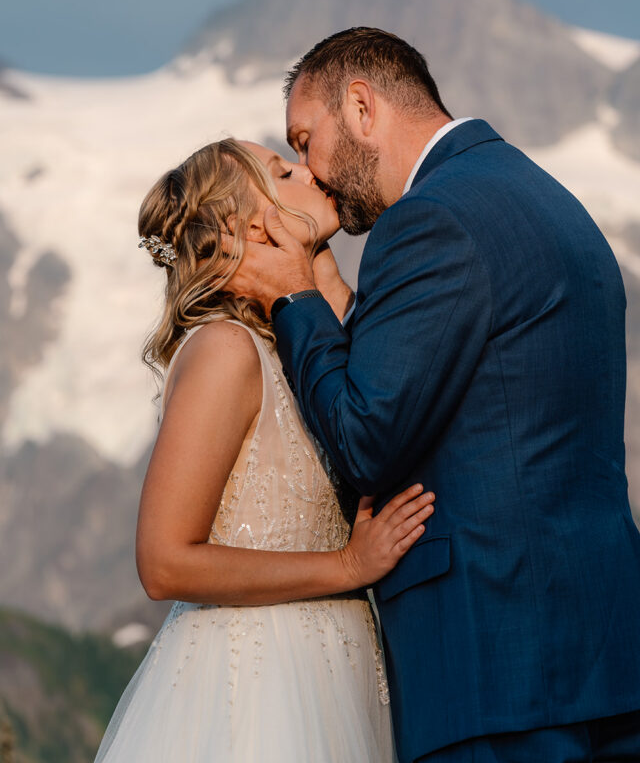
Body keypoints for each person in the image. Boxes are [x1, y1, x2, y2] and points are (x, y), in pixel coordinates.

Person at [227, 27, 640, 763]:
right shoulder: (544, 200)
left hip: (493, 664)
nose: (310, 170)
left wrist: (293, 300)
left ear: (363, 107)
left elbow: (367, 441)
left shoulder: (427, 221)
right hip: (605, 660)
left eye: (306, 140)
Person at [94, 137, 435, 762]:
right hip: (255, 686)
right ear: (242, 225)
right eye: (282, 169)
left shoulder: (299, 349)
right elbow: (164, 561)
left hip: (346, 676)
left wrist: (317, 277)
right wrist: (348, 569)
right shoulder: (225, 350)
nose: (308, 170)